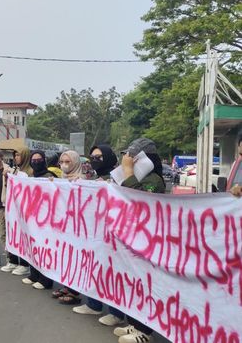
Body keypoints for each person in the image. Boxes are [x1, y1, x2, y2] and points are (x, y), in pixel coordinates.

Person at [112, 138, 165, 343]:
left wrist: (128, 174)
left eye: (132, 157)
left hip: (148, 241)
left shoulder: (154, 180)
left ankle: (145, 331)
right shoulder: (135, 175)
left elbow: (140, 200)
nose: (128, 161)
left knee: (145, 284)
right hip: (131, 237)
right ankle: (135, 324)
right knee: (132, 282)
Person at [72, 145, 125, 326]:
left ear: (109, 157)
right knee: (92, 267)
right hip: (93, 232)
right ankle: (93, 304)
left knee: (112, 273)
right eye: (93, 157)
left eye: (99, 157)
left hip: (114, 234)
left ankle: (116, 313)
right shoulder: (92, 178)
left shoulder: (120, 179)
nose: (95, 161)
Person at [51, 150, 84, 305]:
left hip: (77, 228)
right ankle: (67, 286)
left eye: (68, 162)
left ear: (76, 163)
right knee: (65, 258)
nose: (64, 165)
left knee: (75, 259)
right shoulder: (62, 179)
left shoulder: (82, 181)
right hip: (63, 227)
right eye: (62, 162)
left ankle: (75, 292)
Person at [21, 150, 57, 289]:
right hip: (32, 217)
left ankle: (45, 279)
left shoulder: (50, 177)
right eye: (33, 160)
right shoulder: (30, 176)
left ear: (44, 161)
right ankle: (34, 274)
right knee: (33, 246)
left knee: (44, 249)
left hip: (46, 220)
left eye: (39, 160)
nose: (36, 163)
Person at [1, 147, 33, 276]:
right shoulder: (15, 171)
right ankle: (13, 260)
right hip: (12, 208)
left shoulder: (30, 172)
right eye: (15, 155)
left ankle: (24, 264)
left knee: (23, 236)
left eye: (19, 155)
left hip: (24, 210)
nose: (16, 158)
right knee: (12, 234)